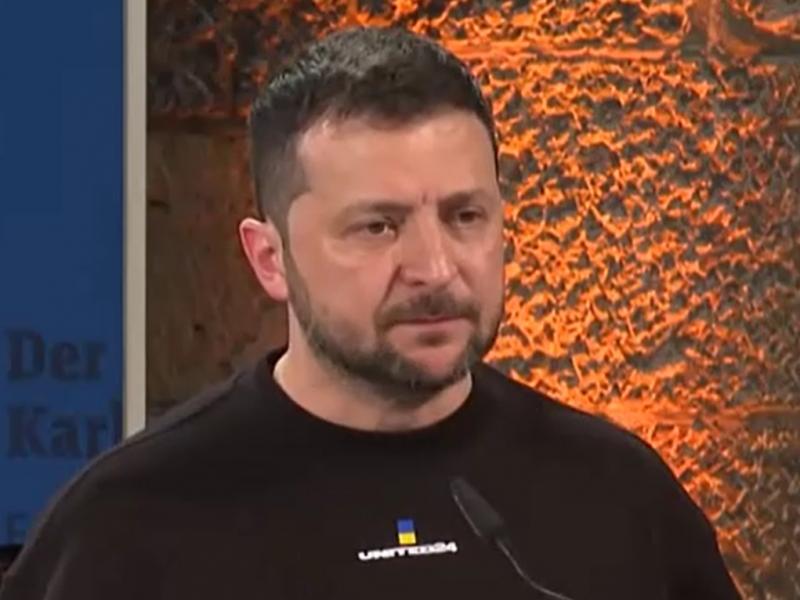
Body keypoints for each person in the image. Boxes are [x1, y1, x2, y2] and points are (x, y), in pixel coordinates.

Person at [0, 26, 741, 600]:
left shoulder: (619, 495)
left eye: (465, 216)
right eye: (378, 226)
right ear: (269, 258)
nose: (435, 268)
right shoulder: (123, 528)